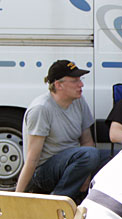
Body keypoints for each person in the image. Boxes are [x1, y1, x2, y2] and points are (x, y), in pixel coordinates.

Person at [15, 60, 109, 203]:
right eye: (75, 81)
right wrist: (17, 197)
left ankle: (97, 202)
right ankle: (56, 203)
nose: (81, 84)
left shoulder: (79, 101)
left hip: (76, 160)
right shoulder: (41, 108)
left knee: (118, 157)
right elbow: (32, 158)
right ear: (58, 85)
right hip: (44, 172)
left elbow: (87, 141)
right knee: (89, 155)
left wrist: (87, 175)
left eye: (80, 79)